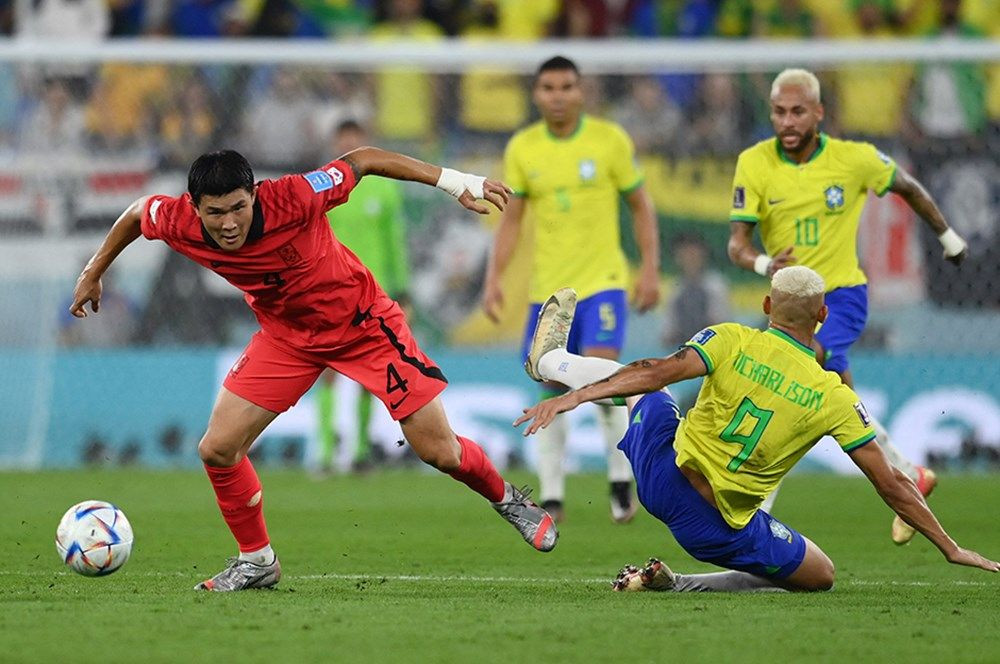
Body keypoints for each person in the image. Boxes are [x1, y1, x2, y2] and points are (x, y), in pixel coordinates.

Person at [69, 146, 558, 592]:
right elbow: (137, 212)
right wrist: (93, 272)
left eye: (239, 206)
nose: (229, 223)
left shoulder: (295, 197)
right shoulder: (178, 220)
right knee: (217, 449)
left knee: (440, 451)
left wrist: (454, 181)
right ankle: (257, 560)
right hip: (287, 338)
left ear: (256, 194)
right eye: (215, 213)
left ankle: (507, 499)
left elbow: (363, 160)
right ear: (194, 207)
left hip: (364, 325)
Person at [514, 273, 998, 592]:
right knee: (820, 576)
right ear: (823, 316)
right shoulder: (834, 397)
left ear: (767, 304)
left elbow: (654, 371)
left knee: (649, 391)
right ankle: (680, 582)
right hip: (712, 530)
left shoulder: (730, 337)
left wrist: (572, 395)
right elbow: (891, 483)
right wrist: (949, 546)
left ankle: (551, 361)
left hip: (661, 476)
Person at [726, 68, 969, 544]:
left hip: (839, 296)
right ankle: (907, 474)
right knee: (831, 398)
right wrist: (761, 263)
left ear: (819, 112)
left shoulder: (853, 159)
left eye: (798, 111)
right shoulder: (754, 163)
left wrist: (948, 236)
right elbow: (736, 245)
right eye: (779, 111)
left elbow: (909, 188)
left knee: (798, 384)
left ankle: (755, 508)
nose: (788, 120)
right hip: (786, 304)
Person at [482, 55, 661, 524]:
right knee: (551, 383)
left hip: (602, 285)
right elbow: (513, 219)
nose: (557, 95)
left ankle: (622, 483)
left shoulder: (609, 141)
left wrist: (649, 270)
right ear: (536, 94)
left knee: (604, 383)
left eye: (566, 86)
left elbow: (641, 206)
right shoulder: (524, 147)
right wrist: (494, 277)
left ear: (581, 92)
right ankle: (554, 495)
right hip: (549, 292)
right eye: (548, 87)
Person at [316, 120, 412, 473]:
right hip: (327, 293)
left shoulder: (384, 191)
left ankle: (358, 451)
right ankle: (324, 452)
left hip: (373, 292)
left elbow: (395, 244)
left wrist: (402, 290)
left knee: (369, 375)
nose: (349, 145)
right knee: (325, 370)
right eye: (343, 140)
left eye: (355, 140)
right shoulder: (320, 189)